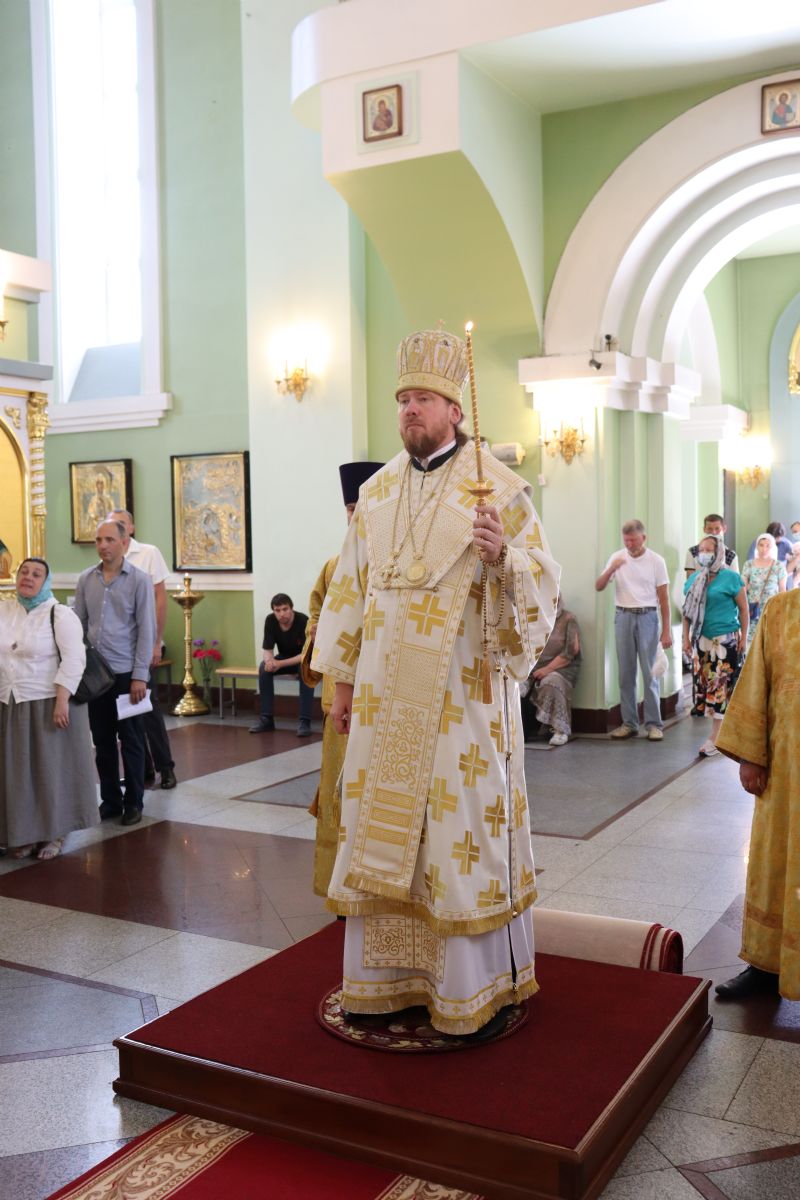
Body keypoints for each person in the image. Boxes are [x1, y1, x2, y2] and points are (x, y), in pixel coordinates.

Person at [312, 326, 560, 1036]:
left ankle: (471, 991)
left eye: (423, 399)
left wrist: (502, 558)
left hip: (462, 706)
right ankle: (383, 982)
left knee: (457, 839)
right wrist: (343, 685)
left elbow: (543, 582)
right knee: (385, 838)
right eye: (403, 400)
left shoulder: (499, 488)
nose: (409, 411)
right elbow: (351, 594)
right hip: (387, 708)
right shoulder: (380, 491)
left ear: (455, 408)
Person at [714, 588, 800, 1001]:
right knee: (773, 863)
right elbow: (757, 683)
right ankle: (765, 967)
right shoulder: (781, 609)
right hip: (786, 772)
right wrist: (752, 756)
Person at [302, 460, 383, 897]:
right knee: (338, 787)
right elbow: (316, 612)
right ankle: (338, 886)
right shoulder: (335, 565)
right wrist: (317, 633)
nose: (355, 515)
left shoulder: (396, 564)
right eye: (349, 507)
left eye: (362, 506)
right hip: (340, 695)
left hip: (384, 692)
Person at [0, 558, 99, 859]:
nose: (28, 578)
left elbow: (74, 660)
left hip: (49, 703)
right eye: (23, 572)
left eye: (36, 574)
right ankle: (26, 834)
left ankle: (55, 834)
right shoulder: (5, 610)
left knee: (50, 772)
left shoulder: (60, 614)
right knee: (19, 774)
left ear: (46, 581)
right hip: (12, 701)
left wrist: (61, 701)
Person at [74, 520, 156, 826]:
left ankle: (134, 801)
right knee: (103, 740)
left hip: (126, 675)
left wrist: (139, 676)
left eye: (109, 539)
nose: (103, 545)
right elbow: (78, 625)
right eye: (98, 539)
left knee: (132, 739)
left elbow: (146, 630)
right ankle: (110, 801)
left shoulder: (139, 580)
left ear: (124, 542)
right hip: (96, 676)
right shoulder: (86, 579)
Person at [111, 509, 177, 789]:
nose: (117, 532)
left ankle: (166, 768)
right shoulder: (109, 557)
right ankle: (144, 768)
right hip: (118, 650)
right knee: (125, 712)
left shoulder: (148, 553)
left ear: (132, 528)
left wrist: (156, 643)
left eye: (122, 526)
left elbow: (160, 600)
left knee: (148, 708)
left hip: (144, 644)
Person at [595, 520, 672, 741]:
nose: (630, 544)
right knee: (626, 673)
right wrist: (612, 568)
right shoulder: (617, 557)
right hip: (623, 615)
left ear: (643, 538)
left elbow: (664, 599)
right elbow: (599, 586)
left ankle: (654, 724)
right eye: (626, 540)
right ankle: (629, 723)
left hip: (648, 615)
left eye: (634, 540)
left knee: (650, 672)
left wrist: (666, 631)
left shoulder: (656, 561)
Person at [682, 534, 747, 757]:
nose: (704, 553)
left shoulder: (731, 578)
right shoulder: (694, 580)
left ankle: (715, 738)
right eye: (701, 549)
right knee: (708, 687)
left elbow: (744, 609)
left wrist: (743, 636)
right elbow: (687, 613)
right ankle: (723, 733)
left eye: (709, 549)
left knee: (719, 687)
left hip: (725, 640)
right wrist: (685, 638)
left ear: (719, 551)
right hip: (702, 640)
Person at [250, 594, 314, 737]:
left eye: (285, 609)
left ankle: (305, 721)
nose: (281, 614)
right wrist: (269, 662)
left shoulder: (303, 620)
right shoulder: (270, 620)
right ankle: (266, 719)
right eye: (277, 610)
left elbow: (305, 655)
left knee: (305, 671)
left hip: (303, 659)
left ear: (291, 609)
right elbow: (267, 650)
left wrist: (279, 663)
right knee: (263, 668)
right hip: (284, 657)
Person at [521, 600, 581, 746]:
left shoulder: (568, 618)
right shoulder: (531, 617)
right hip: (531, 666)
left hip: (561, 668)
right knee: (515, 685)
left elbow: (571, 652)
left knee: (551, 683)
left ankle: (560, 729)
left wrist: (547, 669)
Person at [741, 532, 786, 650]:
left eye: (767, 545)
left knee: (770, 644)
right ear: (757, 546)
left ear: (772, 547)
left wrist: (782, 610)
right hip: (752, 609)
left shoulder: (778, 566)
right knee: (752, 645)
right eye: (761, 545)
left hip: (771, 609)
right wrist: (742, 607)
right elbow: (743, 587)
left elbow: (782, 590)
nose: (764, 548)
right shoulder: (749, 564)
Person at [684, 514, 739, 579]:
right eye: (709, 529)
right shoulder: (692, 552)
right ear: (704, 529)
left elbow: (735, 581)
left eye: (717, 529)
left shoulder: (731, 555)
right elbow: (690, 580)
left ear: (724, 529)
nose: (713, 532)